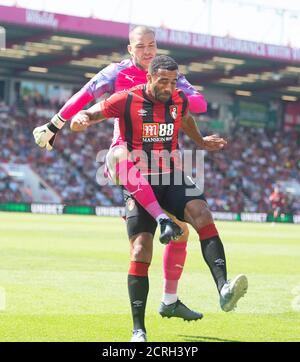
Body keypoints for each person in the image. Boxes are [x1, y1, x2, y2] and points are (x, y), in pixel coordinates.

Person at [33, 26, 219, 322]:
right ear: (130, 49)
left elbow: (197, 104)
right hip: (129, 158)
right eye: (141, 46)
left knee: (182, 232)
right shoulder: (115, 73)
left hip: (162, 161)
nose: (148, 51)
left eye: (152, 45)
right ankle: (143, 316)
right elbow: (85, 96)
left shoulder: (169, 75)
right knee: (141, 246)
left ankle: (169, 300)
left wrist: (167, 86)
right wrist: (54, 125)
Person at [69, 55, 248, 342]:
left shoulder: (178, 99)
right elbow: (94, 113)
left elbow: (186, 117)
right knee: (141, 250)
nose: (168, 87)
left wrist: (201, 142)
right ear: (149, 78)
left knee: (202, 213)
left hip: (171, 175)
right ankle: (138, 329)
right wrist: (82, 118)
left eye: (173, 81)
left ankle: (224, 288)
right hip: (138, 180)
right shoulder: (126, 99)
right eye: (163, 80)